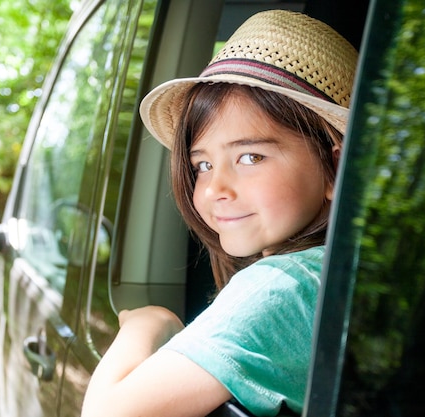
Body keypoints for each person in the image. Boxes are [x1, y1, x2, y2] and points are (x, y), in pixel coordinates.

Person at [81, 9, 358, 417]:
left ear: (336, 169)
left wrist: (149, 321)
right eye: (202, 166)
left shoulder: (285, 287)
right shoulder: (340, 277)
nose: (214, 189)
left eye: (250, 156)